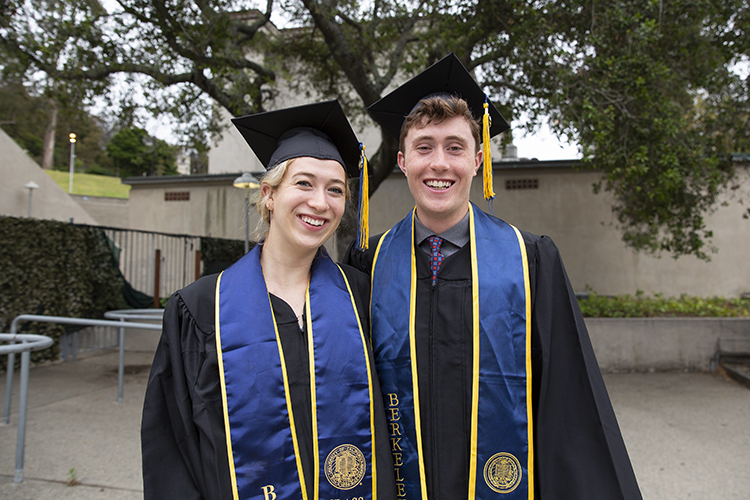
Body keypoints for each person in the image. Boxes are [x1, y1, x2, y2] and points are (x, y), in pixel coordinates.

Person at [344, 54, 642, 499]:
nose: (439, 163)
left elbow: (569, 400)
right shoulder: (369, 261)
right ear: (404, 161)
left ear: (479, 159)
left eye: (455, 147)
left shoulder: (530, 260)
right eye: (424, 147)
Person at [142, 100, 396, 500]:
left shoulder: (362, 295)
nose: (320, 202)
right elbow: (171, 447)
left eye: (335, 190)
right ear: (269, 194)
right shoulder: (202, 308)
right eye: (303, 183)